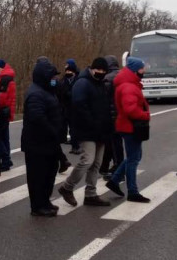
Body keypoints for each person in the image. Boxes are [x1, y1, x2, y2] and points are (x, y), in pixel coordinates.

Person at [57, 57, 115, 207]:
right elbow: (79, 107)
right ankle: (67, 187)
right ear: (92, 68)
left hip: (101, 131)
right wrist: (93, 123)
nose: (101, 73)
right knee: (87, 160)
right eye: (99, 70)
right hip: (86, 130)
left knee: (97, 163)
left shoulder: (100, 84)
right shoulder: (82, 83)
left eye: (104, 71)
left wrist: (107, 125)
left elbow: (105, 106)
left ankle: (91, 194)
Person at [106, 58, 151, 202]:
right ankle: (132, 192)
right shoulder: (128, 86)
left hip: (128, 126)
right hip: (130, 126)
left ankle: (114, 181)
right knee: (133, 159)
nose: (144, 71)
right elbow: (130, 109)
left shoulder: (128, 84)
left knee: (134, 156)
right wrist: (145, 115)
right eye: (142, 68)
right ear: (135, 70)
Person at [22, 59, 64, 217]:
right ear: (43, 77)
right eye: (52, 77)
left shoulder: (47, 91)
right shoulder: (35, 93)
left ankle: (45, 201)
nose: (54, 79)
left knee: (49, 174)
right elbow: (38, 118)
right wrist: (53, 131)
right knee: (37, 177)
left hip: (48, 142)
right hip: (37, 143)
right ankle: (37, 206)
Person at [99, 56, 123, 177]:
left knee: (114, 143)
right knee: (114, 142)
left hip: (111, 115)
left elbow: (104, 99)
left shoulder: (107, 79)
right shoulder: (123, 75)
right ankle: (108, 166)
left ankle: (119, 169)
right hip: (122, 114)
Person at [60, 59, 81, 154]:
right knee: (68, 127)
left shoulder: (78, 80)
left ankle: (76, 146)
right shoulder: (63, 80)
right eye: (66, 71)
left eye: (69, 71)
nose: (67, 72)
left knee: (75, 128)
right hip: (66, 107)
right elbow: (60, 90)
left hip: (76, 107)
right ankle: (73, 145)